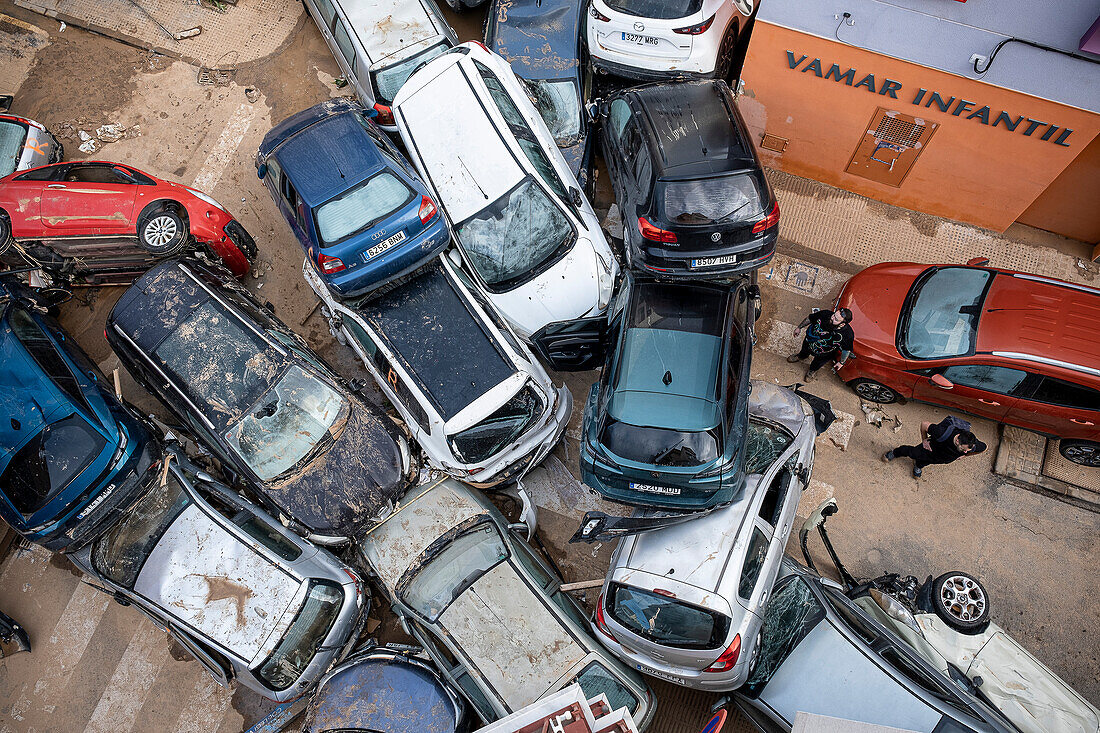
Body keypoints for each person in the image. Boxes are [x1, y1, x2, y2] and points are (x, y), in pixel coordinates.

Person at [883, 416, 987, 478]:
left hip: (940, 458)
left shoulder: (971, 445)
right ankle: (895, 453)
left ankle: (918, 465)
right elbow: (924, 424)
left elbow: (984, 448)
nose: (965, 452)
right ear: (957, 440)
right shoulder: (941, 433)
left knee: (925, 462)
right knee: (912, 452)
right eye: (963, 450)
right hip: (929, 449)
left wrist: (965, 456)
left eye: (967, 450)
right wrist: (924, 440)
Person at [787, 308, 855, 381]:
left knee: (817, 363)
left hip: (826, 353)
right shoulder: (825, 314)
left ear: (842, 324)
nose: (832, 318)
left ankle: (812, 371)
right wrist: (799, 327)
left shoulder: (848, 334)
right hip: (809, 342)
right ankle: (801, 356)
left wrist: (841, 362)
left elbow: (846, 349)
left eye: (836, 319)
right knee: (804, 351)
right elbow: (810, 319)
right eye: (834, 315)